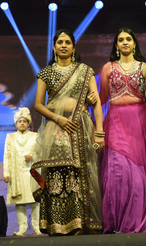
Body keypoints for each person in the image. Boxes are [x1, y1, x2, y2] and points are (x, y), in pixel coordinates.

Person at [30, 29, 104, 236]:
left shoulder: (86, 71)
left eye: (67, 42)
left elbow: (96, 101)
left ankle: (82, 222)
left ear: (73, 47)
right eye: (59, 42)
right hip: (56, 127)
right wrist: (58, 118)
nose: (63, 45)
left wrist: (99, 131)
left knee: (82, 171)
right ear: (54, 47)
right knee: (57, 171)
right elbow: (38, 104)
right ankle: (57, 224)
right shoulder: (46, 72)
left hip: (81, 125)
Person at [97, 27, 146, 233]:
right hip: (116, 122)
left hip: (140, 122)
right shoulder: (108, 68)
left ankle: (142, 219)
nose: (125, 42)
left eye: (129, 39)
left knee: (140, 172)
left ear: (134, 43)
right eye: (121, 39)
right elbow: (102, 100)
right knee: (117, 171)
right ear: (116, 45)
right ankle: (116, 221)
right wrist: (88, 104)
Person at [3, 107, 41, 236]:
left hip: (33, 172)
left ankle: (37, 227)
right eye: (20, 121)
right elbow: (6, 156)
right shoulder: (10, 137)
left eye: (25, 121)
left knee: (35, 200)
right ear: (16, 123)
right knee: (19, 202)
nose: (22, 123)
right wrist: (6, 174)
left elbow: (41, 153)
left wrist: (33, 157)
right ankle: (22, 228)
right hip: (16, 173)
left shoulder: (35, 136)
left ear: (28, 123)